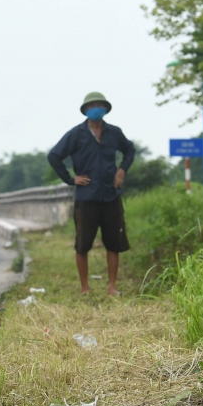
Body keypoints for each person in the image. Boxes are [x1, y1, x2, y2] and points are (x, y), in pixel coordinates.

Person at [47, 91, 135, 296]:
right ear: (86, 110)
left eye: (99, 105)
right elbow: (54, 156)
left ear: (105, 109)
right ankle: (85, 287)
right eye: (92, 105)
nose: (96, 108)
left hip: (111, 195)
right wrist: (70, 179)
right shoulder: (76, 134)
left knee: (113, 242)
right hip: (86, 197)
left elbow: (130, 150)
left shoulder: (114, 132)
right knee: (83, 244)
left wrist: (122, 169)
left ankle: (112, 286)